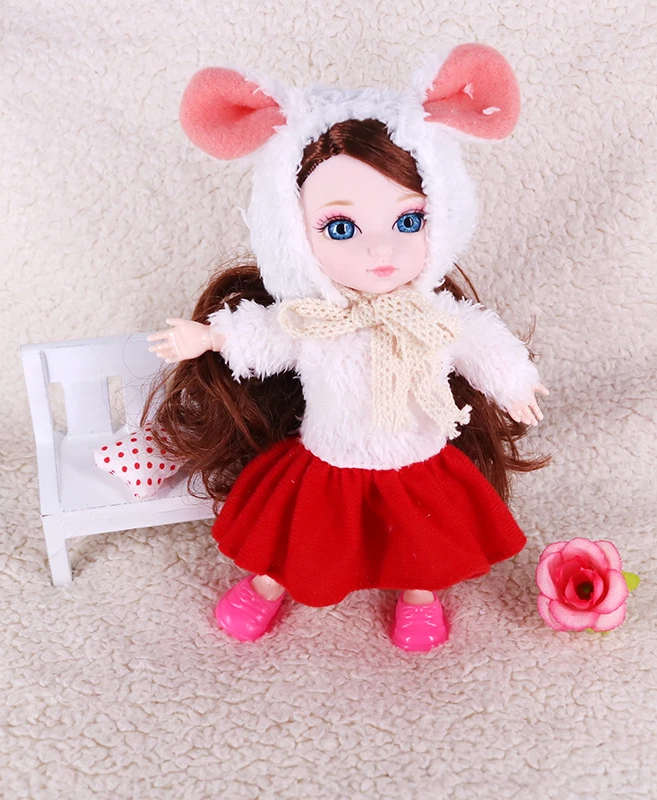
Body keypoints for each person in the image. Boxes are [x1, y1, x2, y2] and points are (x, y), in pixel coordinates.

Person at [145, 43, 550, 652]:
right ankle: (269, 584)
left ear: (442, 216)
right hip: (331, 457)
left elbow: (478, 337)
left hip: (416, 456)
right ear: (292, 233)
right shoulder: (316, 319)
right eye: (340, 228)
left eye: (408, 221)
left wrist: (513, 381)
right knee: (302, 535)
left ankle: (419, 595)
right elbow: (269, 335)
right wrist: (210, 336)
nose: (380, 251)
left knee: (422, 539)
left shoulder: (431, 316)